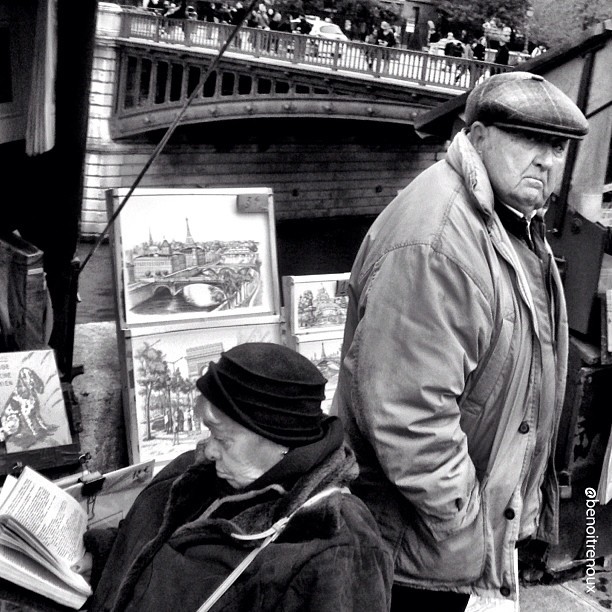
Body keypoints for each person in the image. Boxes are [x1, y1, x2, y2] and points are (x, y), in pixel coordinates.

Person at [332, 72, 589, 611]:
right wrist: (469, 524)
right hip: (419, 550)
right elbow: (408, 413)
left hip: (453, 536)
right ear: (476, 136)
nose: (547, 160)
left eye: (558, 146)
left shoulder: (504, 217)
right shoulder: (440, 240)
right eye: (530, 140)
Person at [83, 342, 393, 612]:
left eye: (223, 438)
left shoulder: (337, 544)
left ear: (279, 441)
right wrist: (92, 553)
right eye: (209, 432)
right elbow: (147, 552)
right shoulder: (190, 473)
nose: (209, 450)